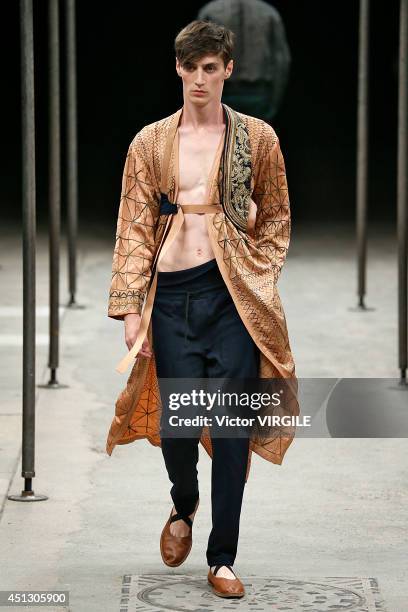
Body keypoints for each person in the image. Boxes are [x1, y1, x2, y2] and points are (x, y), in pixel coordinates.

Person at [106, 19, 299, 600]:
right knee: (181, 425)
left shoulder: (257, 139)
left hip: (231, 293)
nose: (199, 79)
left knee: (233, 424)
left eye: (210, 68)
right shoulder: (150, 143)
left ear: (228, 70)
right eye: (190, 68)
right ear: (178, 69)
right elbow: (134, 224)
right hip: (172, 293)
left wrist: (257, 276)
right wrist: (131, 308)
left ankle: (223, 557)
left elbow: (277, 214)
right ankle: (183, 504)